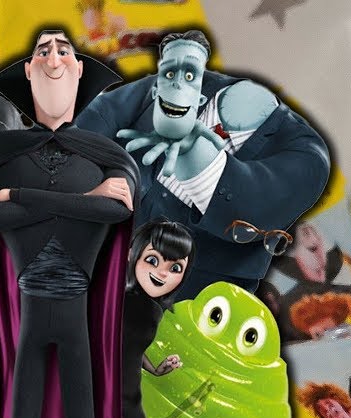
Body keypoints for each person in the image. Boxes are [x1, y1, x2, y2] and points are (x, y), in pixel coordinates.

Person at [0, 29, 137, 418]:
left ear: (79, 70)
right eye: (42, 50)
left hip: (77, 305)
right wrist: (86, 200)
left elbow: (117, 211)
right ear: (28, 70)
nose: (53, 57)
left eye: (63, 50)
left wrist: (19, 196)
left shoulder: (108, 154)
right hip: (30, 305)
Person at [77, 30, 330, 300]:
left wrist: (196, 155)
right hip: (105, 234)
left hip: (197, 284)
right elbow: (101, 116)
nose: (177, 84)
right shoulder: (179, 83)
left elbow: (253, 210)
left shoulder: (308, 156)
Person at [122, 220, 192, 418]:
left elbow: (130, 346)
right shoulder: (113, 297)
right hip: (100, 395)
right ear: (131, 254)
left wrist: (154, 369)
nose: (162, 273)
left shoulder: (154, 310)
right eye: (153, 260)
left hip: (130, 403)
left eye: (175, 268)